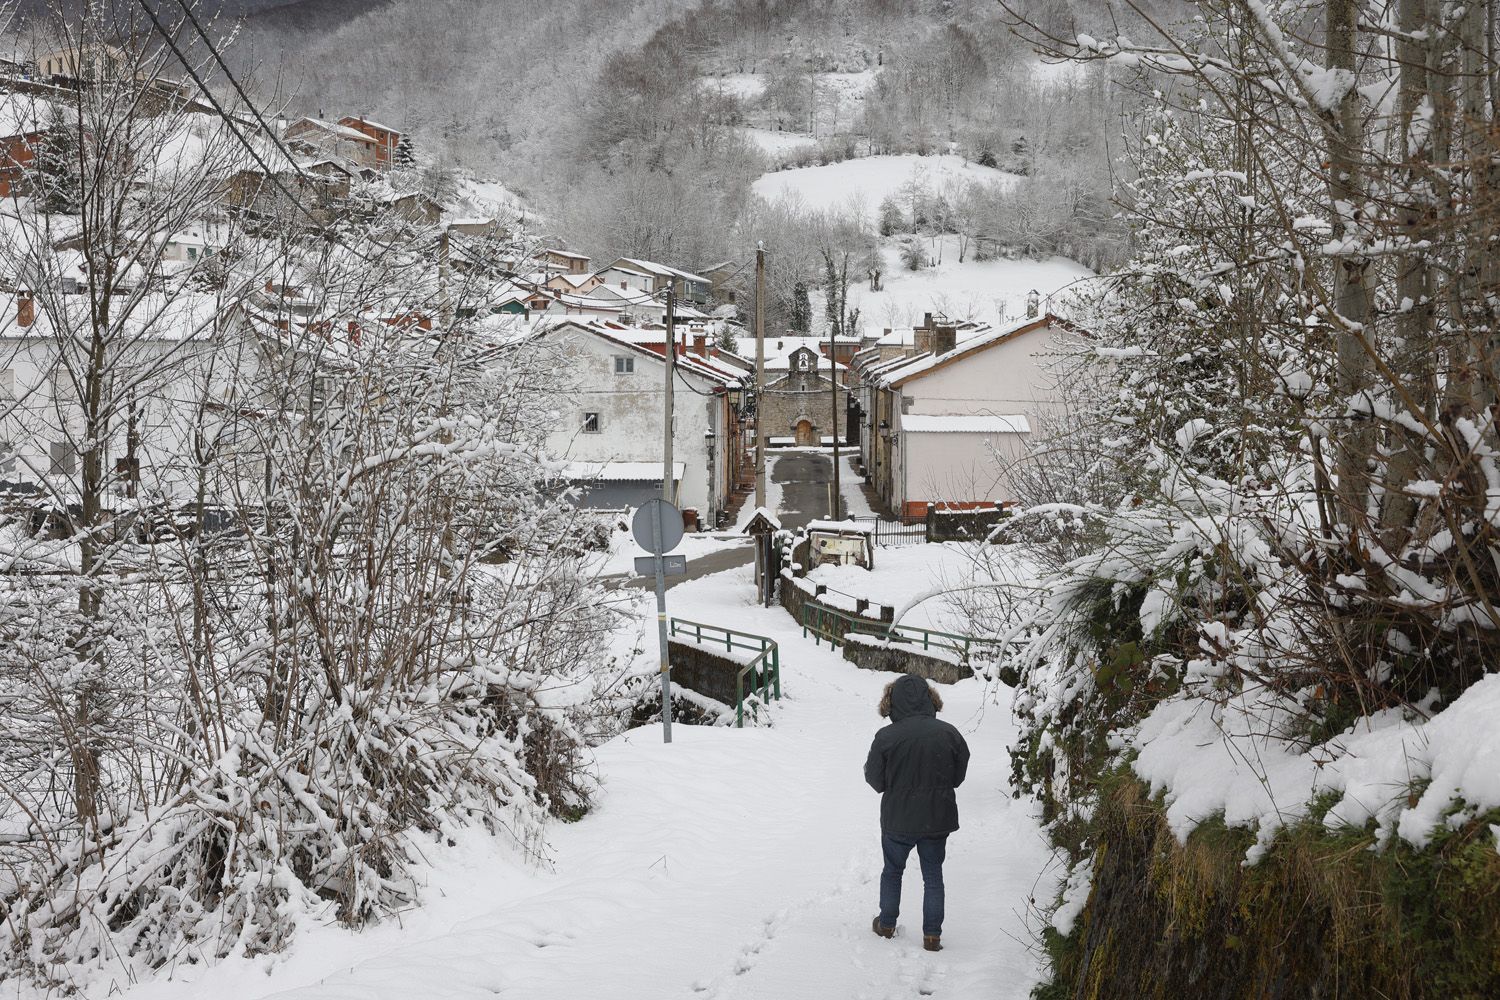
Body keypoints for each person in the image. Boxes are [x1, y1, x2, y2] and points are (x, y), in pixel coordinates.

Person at [863, 674, 970, 952]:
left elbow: (874, 780)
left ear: (892, 702)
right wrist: (941, 786)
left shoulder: (886, 737)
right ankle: (932, 936)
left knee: (892, 871)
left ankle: (886, 924)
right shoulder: (949, 733)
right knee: (933, 876)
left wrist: (895, 785)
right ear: (929, 699)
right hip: (937, 818)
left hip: (897, 819)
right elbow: (959, 772)